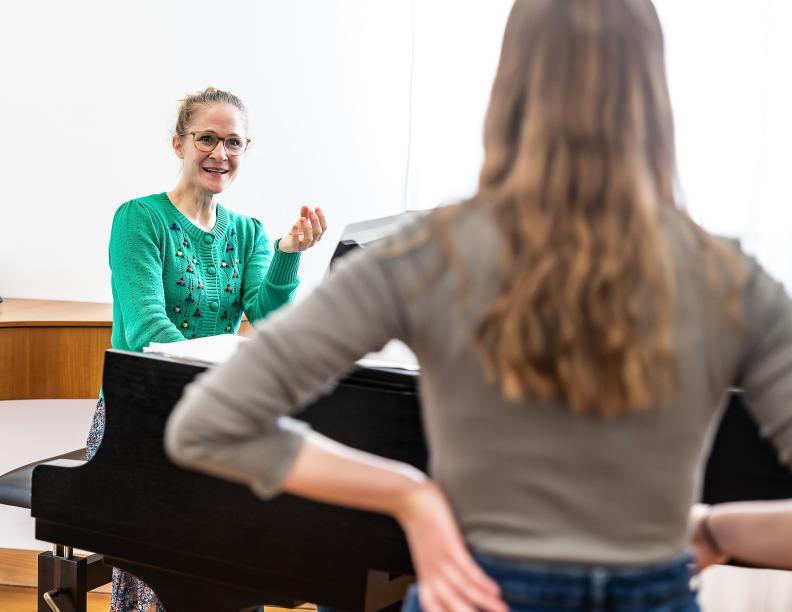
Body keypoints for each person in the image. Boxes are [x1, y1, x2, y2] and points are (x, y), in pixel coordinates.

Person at [163, 2, 792, 612]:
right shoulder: (729, 278)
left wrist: (412, 496)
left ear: (510, 86)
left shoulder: (427, 256)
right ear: (653, 95)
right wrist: (718, 529)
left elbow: (208, 423)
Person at [87, 86, 327, 612]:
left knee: (244, 545)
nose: (220, 153)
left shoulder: (248, 232)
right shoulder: (139, 219)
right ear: (179, 144)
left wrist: (288, 253)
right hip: (142, 417)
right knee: (174, 559)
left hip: (213, 410)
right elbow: (149, 325)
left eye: (234, 142)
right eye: (207, 139)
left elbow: (268, 318)